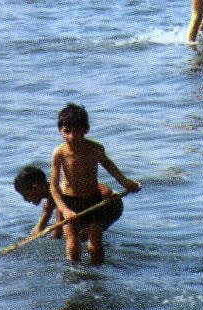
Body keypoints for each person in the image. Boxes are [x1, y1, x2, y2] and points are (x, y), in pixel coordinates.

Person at [49, 102, 139, 265]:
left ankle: (97, 278)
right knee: (72, 245)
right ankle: (74, 278)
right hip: (70, 202)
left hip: (93, 200)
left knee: (95, 243)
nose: (71, 136)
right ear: (60, 131)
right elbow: (53, 187)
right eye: (66, 131)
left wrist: (126, 183)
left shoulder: (95, 148)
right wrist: (64, 209)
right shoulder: (59, 153)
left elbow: (110, 167)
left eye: (77, 131)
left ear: (86, 130)